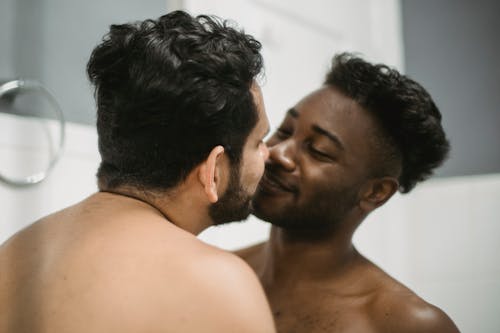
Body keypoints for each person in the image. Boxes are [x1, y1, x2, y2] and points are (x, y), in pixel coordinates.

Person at [0, 11, 276, 333]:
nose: (270, 154)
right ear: (213, 171)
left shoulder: (16, 251)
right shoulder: (221, 286)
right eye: (259, 141)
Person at [236, 53, 460, 333]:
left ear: (375, 192)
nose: (279, 153)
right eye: (285, 131)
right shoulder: (220, 272)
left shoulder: (404, 324)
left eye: (318, 150)